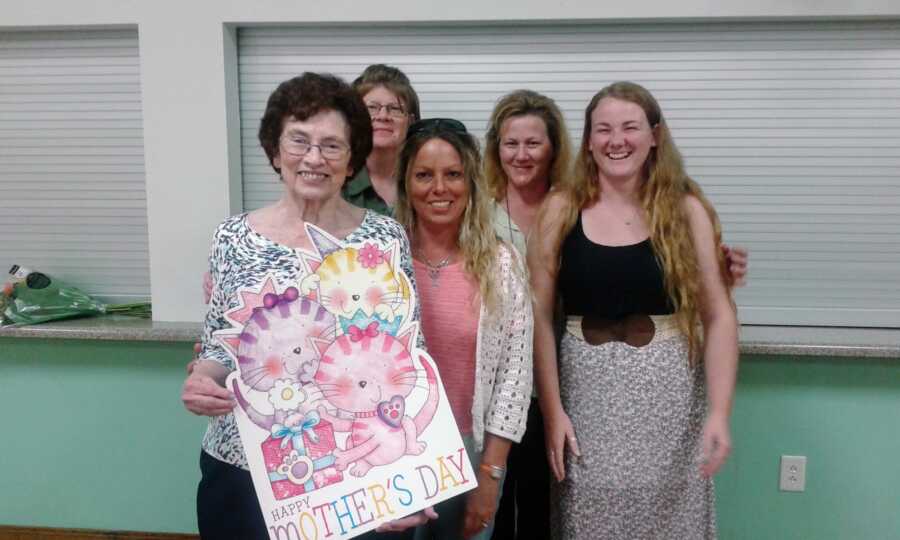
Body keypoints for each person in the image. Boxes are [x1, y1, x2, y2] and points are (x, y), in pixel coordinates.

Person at [181, 72, 430, 539]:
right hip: (243, 465)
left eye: (332, 145)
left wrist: (399, 479)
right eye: (299, 141)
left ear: (352, 157)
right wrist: (201, 381)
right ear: (275, 151)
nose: (314, 158)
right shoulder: (233, 237)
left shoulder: (383, 238)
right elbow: (218, 346)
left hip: (351, 472)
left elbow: (405, 355)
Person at [529, 81, 739, 539]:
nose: (616, 140)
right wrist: (553, 411)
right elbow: (540, 320)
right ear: (588, 140)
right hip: (586, 398)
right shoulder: (561, 209)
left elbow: (719, 316)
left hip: (670, 400)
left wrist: (720, 412)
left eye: (630, 127)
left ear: (655, 135)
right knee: (589, 515)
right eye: (603, 129)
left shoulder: (686, 210)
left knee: (667, 516)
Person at [393, 118, 533, 540]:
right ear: (405, 183)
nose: (439, 188)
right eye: (424, 175)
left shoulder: (501, 264)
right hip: (388, 456)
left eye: (453, 174)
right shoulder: (379, 260)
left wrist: (491, 474)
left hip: (468, 457)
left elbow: (514, 377)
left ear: (471, 182)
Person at [343, 64, 421, 215]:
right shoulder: (337, 184)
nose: (383, 116)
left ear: (410, 121)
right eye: (372, 108)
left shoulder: (425, 182)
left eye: (395, 109)